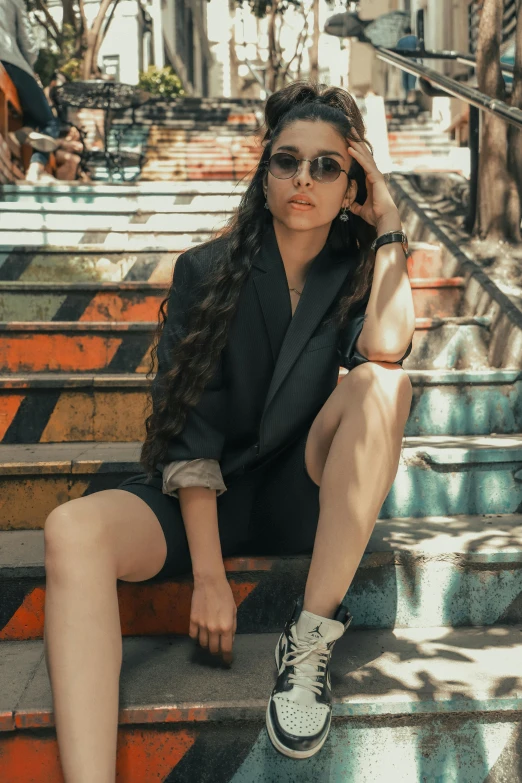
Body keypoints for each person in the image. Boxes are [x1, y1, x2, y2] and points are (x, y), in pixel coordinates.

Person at [42, 79, 415, 774]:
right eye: (287, 161)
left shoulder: (355, 272)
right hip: (197, 500)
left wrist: (388, 219)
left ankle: (307, 644)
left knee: (384, 383)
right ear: (265, 172)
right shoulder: (206, 271)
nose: (304, 178)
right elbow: (191, 430)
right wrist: (209, 576)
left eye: (327, 166)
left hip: (295, 494)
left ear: (351, 185)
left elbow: (389, 347)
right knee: (71, 530)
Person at [0, 0, 60, 182]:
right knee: (49, 122)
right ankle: (36, 169)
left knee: (32, 111)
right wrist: (30, 66)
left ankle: (22, 133)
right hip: (9, 61)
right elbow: (28, 44)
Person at [396, 24, 419, 104]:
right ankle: (412, 97)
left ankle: (406, 97)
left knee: (405, 81)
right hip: (413, 62)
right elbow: (419, 49)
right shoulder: (415, 39)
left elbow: (397, 53)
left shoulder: (400, 41)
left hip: (404, 63)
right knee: (412, 80)